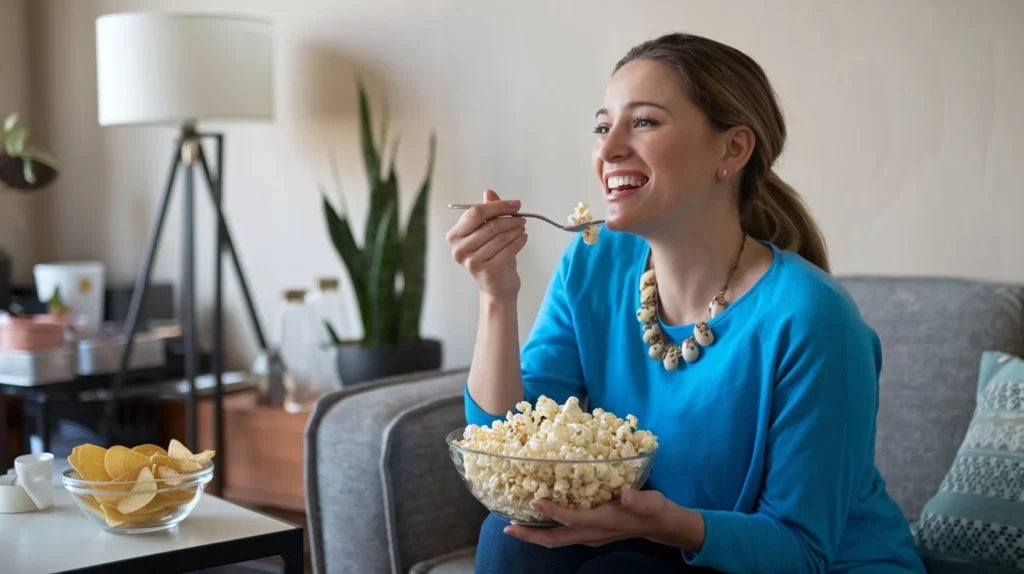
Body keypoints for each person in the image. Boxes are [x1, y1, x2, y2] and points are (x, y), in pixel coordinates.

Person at [445, 32, 927, 574]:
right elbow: (509, 448)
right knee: (513, 536)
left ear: (733, 149)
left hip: (812, 563)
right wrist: (496, 296)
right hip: (666, 547)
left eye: (644, 122)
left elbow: (802, 551)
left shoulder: (813, 320)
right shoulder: (592, 264)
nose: (607, 150)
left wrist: (660, 522)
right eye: (603, 126)